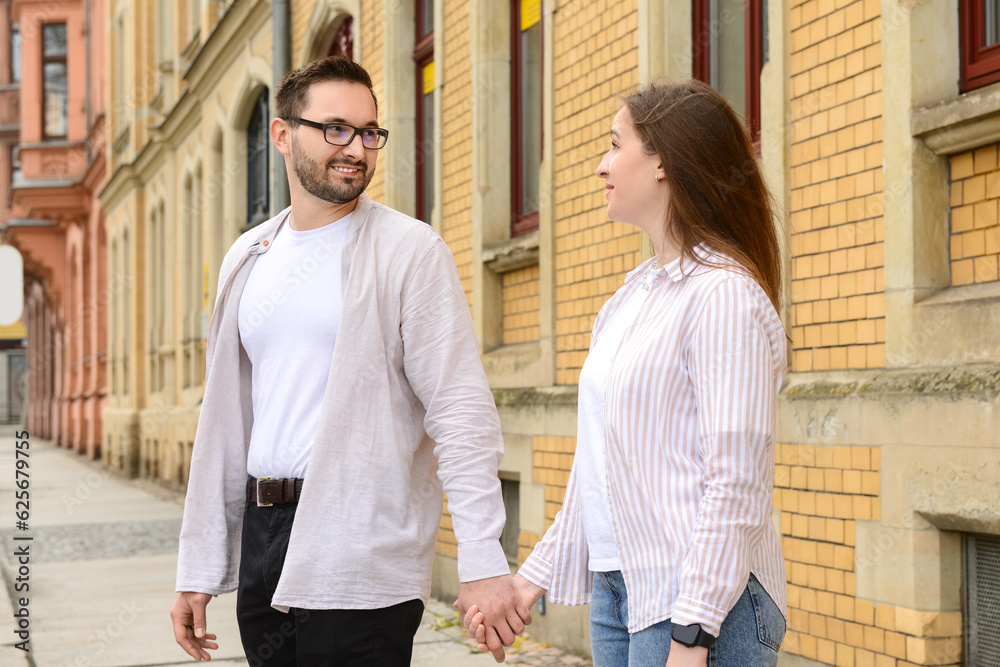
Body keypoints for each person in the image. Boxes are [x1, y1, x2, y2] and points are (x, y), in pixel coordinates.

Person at [169, 56, 530, 666]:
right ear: (283, 136)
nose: (356, 149)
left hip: (359, 540)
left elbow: (460, 411)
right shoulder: (248, 257)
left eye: (368, 132)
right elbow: (225, 425)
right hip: (265, 542)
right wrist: (198, 566)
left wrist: (482, 558)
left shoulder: (409, 251)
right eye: (335, 129)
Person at [465, 79, 788, 667]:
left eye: (616, 145)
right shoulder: (629, 300)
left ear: (664, 161)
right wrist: (526, 584)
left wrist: (692, 635)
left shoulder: (723, 297)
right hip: (619, 594)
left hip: (702, 605)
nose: (600, 165)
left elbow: (736, 483)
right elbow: (600, 474)